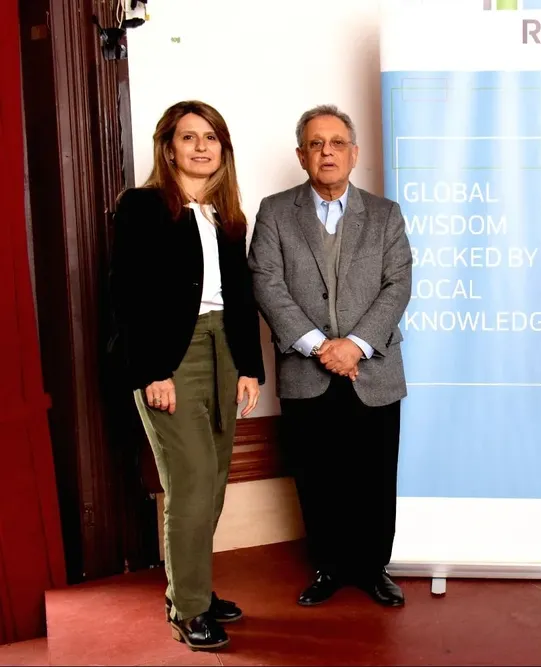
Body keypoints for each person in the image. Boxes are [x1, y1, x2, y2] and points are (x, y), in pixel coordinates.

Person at [110, 100, 265, 651]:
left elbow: (241, 297)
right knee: (193, 483)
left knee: (215, 480)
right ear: (168, 147)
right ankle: (188, 606)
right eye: (188, 137)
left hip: (226, 348)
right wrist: (153, 371)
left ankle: (194, 588)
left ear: (223, 148)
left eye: (211, 137)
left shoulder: (229, 216)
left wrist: (250, 367)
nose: (201, 146)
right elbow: (129, 298)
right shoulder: (142, 207)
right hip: (171, 357)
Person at [248, 104, 412, 608]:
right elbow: (265, 282)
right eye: (316, 144)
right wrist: (320, 346)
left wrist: (355, 345)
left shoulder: (384, 214)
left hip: (374, 371)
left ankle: (373, 569)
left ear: (354, 153)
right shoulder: (275, 211)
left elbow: (398, 284)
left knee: (375, 476)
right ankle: (329, 567)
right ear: (301, 155)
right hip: (306, 372)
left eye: (337, 143)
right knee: (318, 478)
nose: (327, 152)